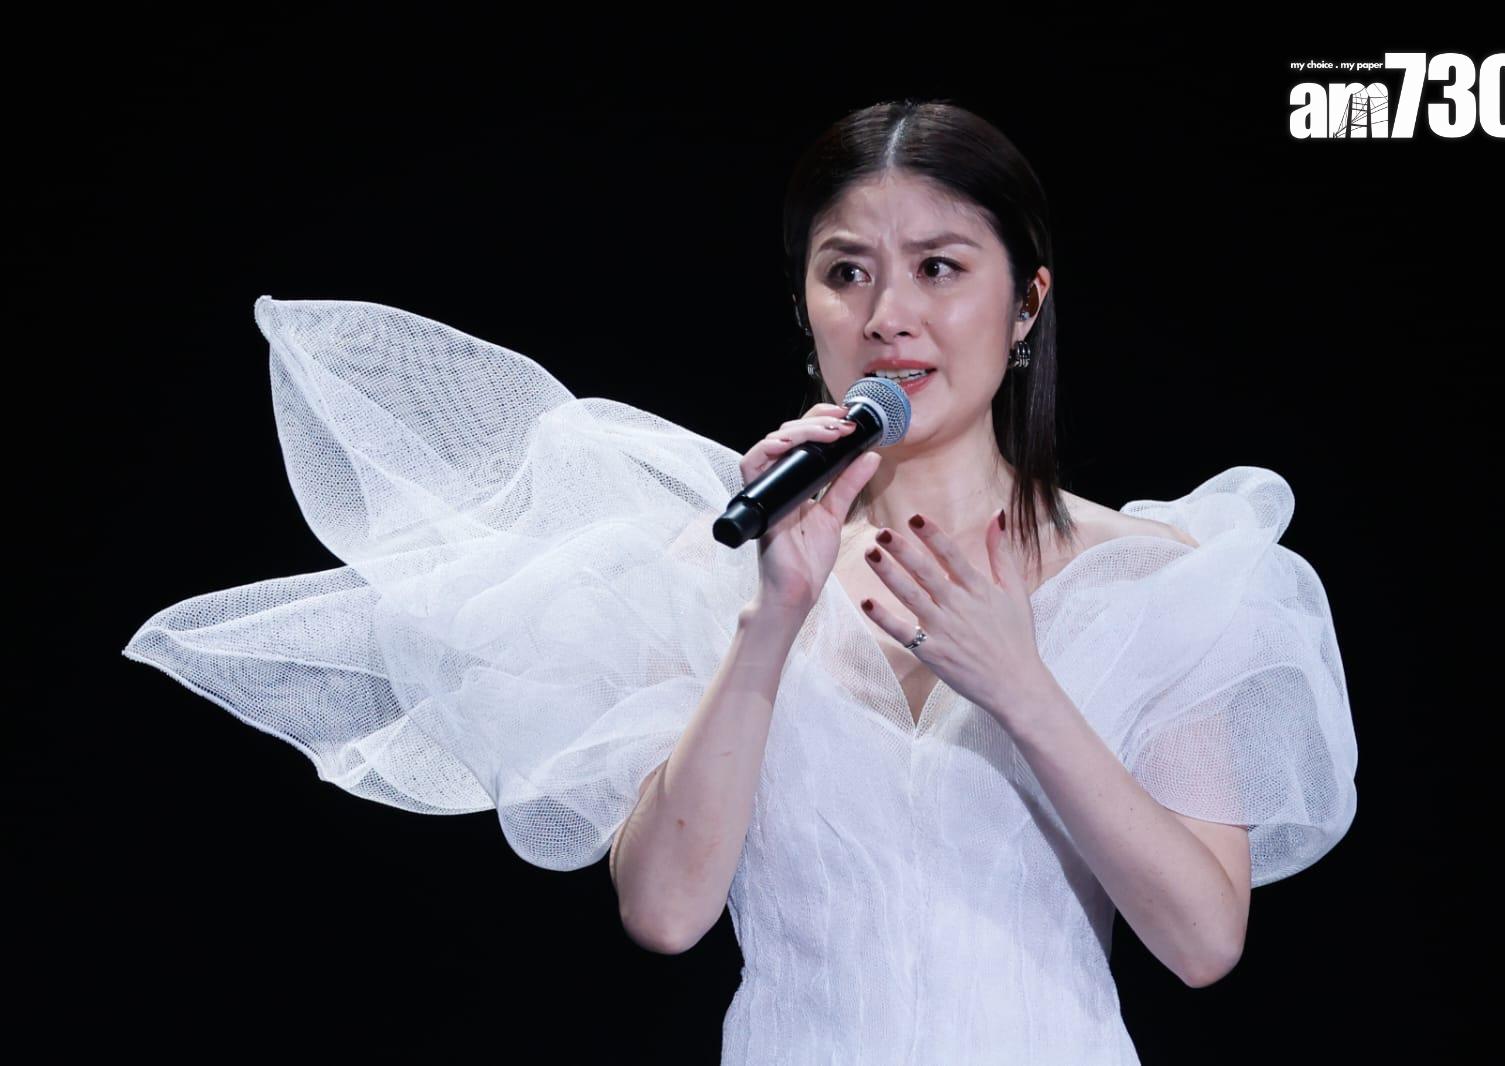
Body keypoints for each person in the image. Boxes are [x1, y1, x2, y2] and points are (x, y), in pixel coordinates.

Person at [122, 98, 1358, 1064]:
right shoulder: (723, 571)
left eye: (940, 268)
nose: (890, 315)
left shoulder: (1152, 580)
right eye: (846, 272)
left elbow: (1203, 940)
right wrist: (771, 623)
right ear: (806, 308)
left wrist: (1021, 685)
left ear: (1026, 302)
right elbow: (664, 911)